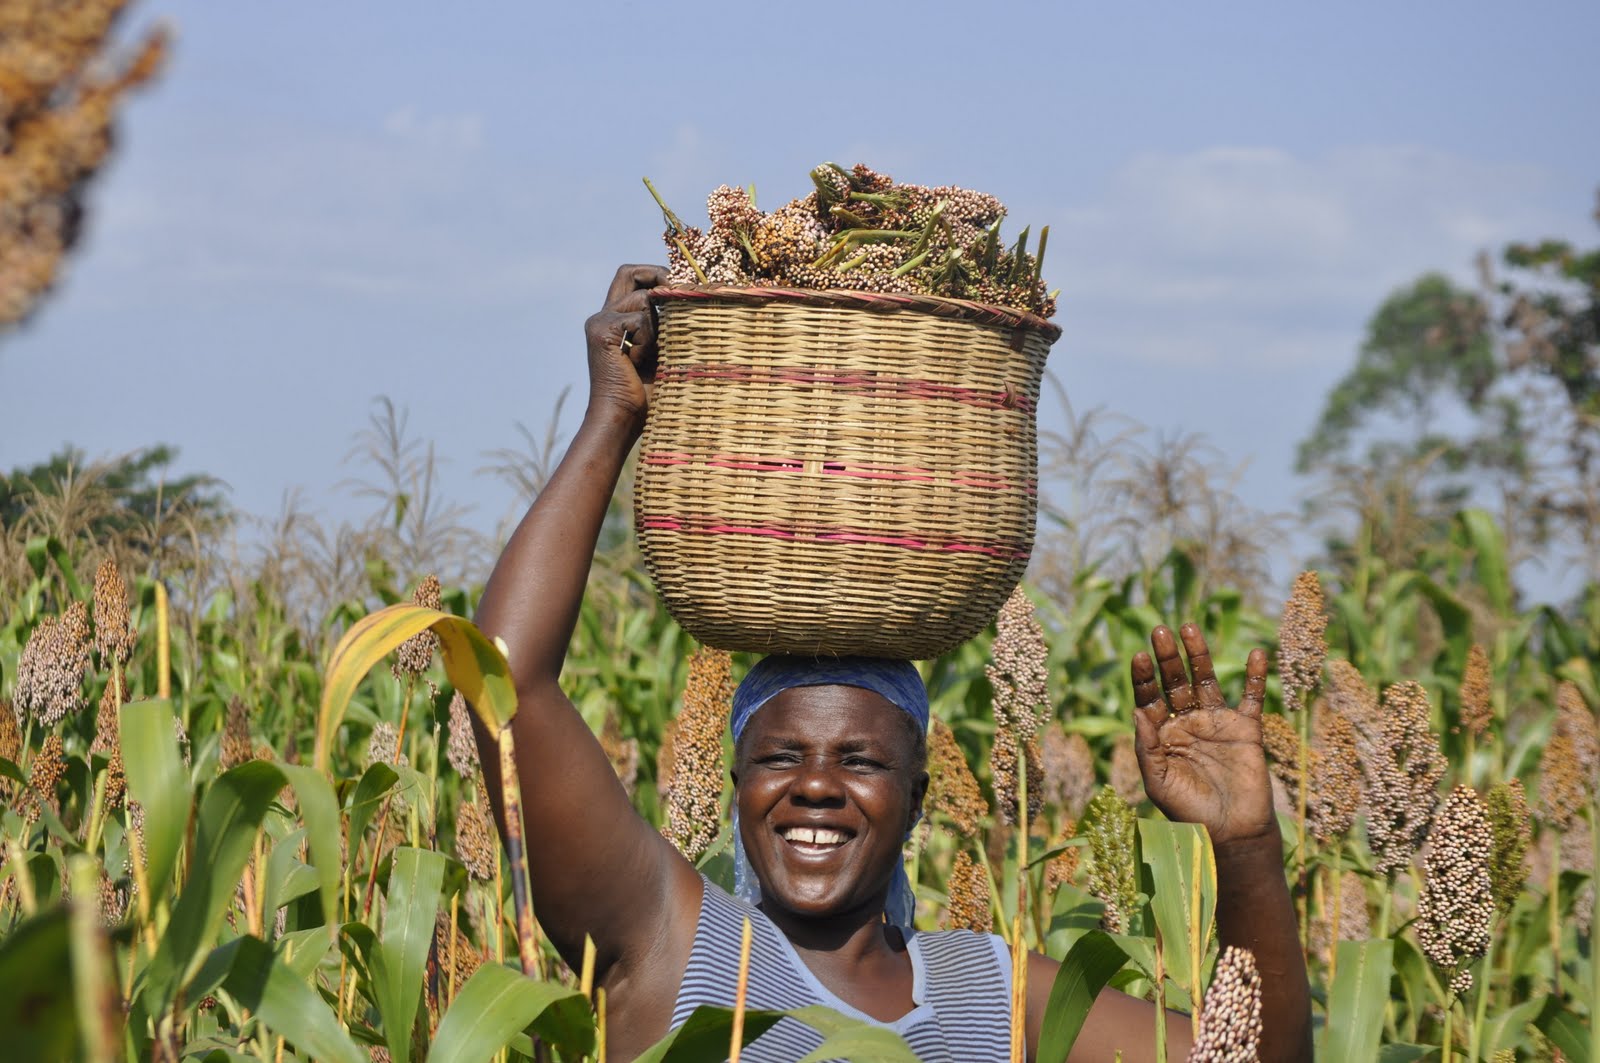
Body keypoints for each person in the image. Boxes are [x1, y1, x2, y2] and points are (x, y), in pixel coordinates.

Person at [470, 265, 1312, 1061]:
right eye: (781, 757)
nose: (816, 785)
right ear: (736, 783)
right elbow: (505, 676)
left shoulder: (991, 991)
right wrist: (612, 416)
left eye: (861, 759)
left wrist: (1244, 846)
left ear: (916, 798)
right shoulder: (675, 940)